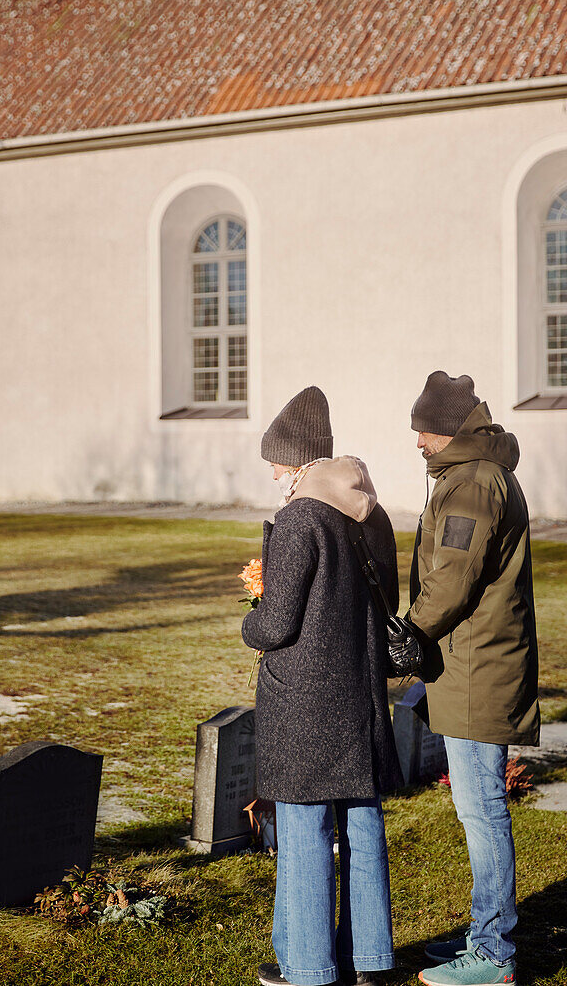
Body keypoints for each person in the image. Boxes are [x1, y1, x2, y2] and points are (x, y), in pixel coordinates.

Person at [242, 385, 401, 986]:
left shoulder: (300, 517)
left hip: (304, 696)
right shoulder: (372, 513)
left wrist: (248, 616)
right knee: (361, 820)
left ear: (301, 460)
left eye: (277, 463)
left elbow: (276, 622)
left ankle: (308, 967)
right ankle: (370, 961)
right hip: (359, 689)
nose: (275, 475)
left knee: (305, 825)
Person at [406, 372, 539, 986]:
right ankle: (484, 936)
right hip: (470, 662)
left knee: (482, 808)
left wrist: (409, 633)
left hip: (477, 665)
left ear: (449, 429)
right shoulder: (471, 475)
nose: (417, 443)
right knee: (475, 806)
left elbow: (454, 576)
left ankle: (493, 954)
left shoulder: (472, 482)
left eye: (423, 430)